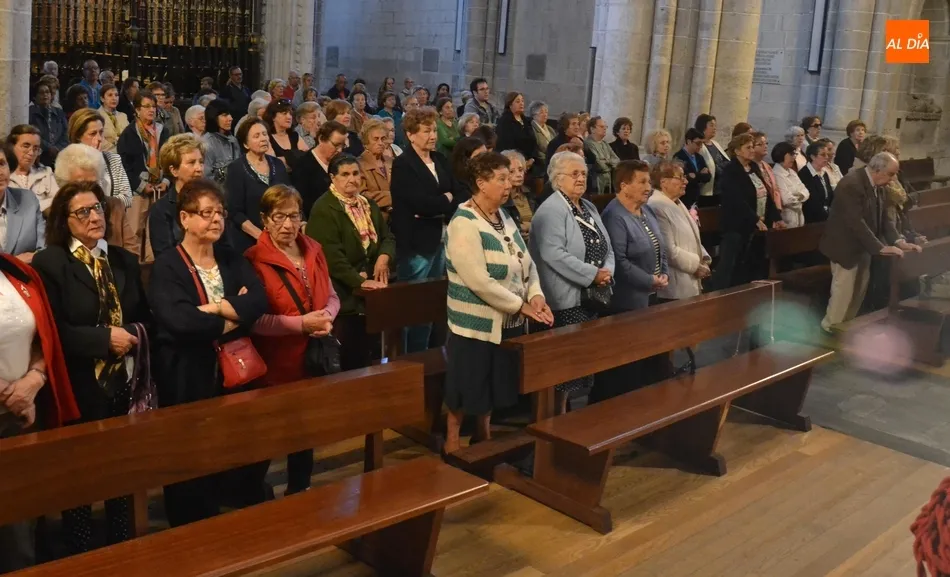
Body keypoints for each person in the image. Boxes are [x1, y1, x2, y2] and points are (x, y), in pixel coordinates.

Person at [31, 180, 149, 556]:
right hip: (80, 383)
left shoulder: (122, 260)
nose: (95, 216)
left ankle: (123, 546)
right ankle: (80, 554)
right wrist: (103, 340)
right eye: (83, 211)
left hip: (124, 382)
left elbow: (146, 317)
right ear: (66, 221)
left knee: (120, 471)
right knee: (80, 477)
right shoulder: (52, 262)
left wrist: (129, 334)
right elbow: (54, 331)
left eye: (97, 207)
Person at [148, 178, 269, 527]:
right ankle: (191, 522)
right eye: (206, 213)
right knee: (191, 453)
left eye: (220, 212)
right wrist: (234, 314)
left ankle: (231, 507)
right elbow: (180, 321)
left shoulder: (231, 259)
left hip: (236, 368)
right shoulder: (168, 265)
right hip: (187, 374)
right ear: (184, 218)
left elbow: (258, 301)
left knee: (234, 443)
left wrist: (214, 310)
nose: (215, 219)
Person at [443, 152, 552, 453]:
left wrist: (536, 295)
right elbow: (478, 281)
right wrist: (522, 307)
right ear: (480, 183)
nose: (509, 184)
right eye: (501, 179)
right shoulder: (464, 222)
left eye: (510, 177)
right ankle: (452, 438)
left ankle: (484, 433)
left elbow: (526, 262)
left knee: (492, 383)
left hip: (507, 321)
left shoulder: (503, 216)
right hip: (474, 323)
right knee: (467, 382)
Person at [246, 184, 339, 495]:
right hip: (275, 364)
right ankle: (253, 494)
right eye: (278, 217)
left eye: (294, 216)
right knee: (267, 437)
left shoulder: (313, 249)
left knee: (305, 431)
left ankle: (301, 490)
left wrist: (327, 317)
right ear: (264, 219)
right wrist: (301, 324)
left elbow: (332, 294)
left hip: (312, 358)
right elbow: (254, 320)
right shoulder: (253, 260)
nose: (287, 225)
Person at [530, 151, 614, 414]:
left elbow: (607, 246)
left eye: (584, 174)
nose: (581, 179)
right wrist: (592, 274)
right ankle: (554, 419)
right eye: (574, 174)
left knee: (580, 365)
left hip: (592, 297)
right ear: (557, 178)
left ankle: (568, 419)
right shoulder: (552, 210)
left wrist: (607, 272)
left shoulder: (588, 206)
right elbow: (553, 254)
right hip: (564, 300)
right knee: (563, 370)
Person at [306, 155, 394, 370]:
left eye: (355, 173)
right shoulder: (324, 208)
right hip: (343, 296)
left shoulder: (368, 204)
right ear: (332, 178)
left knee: (370, 355)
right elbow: (332, 257)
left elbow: (388, 237)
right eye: (345, 174)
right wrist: (358, 281)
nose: (352, 179)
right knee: (350, 359)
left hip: (370, 295)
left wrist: (384, 256)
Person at [592, 160, 670, 401]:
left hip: (650, 293)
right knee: (623, 363)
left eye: (649, 181)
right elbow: (619, 261)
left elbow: (660, 245)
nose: (649, 187)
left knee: (645, 357)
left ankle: (640, 404)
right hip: (626, 299)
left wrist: (663, 271)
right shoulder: (615, 215)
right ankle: (613, 408)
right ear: (624, 185)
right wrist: (649, 280)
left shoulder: (645, 210)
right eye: (643, 182)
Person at [818, 152, 918, 332]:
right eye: (891, 174)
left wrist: (898, 241)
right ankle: (830, 331)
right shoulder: (851, 184)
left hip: (864, 247)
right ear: (877, 170)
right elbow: (855, 222)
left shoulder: (879, 185)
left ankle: (845, 330)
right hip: (844, 247)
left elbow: (885, 219)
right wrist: (880, 248)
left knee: (858, 293)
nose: (893, 178)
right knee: (843, 294)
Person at [391, 107, 457, 353]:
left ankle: (426, 356)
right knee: (414, 304)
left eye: (433, 130)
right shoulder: (403, 164)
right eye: (426, 131)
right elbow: (416, 202)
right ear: (410, 134)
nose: (433, 135)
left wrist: (440, 203)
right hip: (417, 242)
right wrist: (443, 201)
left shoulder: (439, 159)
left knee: (431, 302)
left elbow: (456, 192)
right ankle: (408, 358)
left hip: (440, 237)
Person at [709, 133, 783, 290]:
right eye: (748, 147)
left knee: (749, 263)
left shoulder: (753, 167)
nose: (752, 150)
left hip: (755, 225)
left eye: (752, 147)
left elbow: (765, 192)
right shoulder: (731, 171)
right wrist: (755, 219)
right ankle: (722, 296)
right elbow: (737, 200)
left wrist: (776, 216)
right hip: (736, 225)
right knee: (730, 264)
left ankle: (744, 291)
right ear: (737, 151)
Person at [226, 118, 290, 254]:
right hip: (250, 241)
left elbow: (289, 198)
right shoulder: (236, 169)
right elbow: (235, 212)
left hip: (281, 236)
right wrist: (262, 237)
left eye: (265, 134)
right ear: (245, 144)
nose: (263, 139)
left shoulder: (278, 165)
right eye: (257, 136)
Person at [648, 160, 710, 300]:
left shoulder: (677, 201)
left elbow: (692, 236)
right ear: (663, 182)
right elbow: (668, 250)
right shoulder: (657, 206)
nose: (686, 181)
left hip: (689, 279)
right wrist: (696, 266)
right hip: (674, 285)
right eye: (680, 177)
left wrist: (704, 258)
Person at [150, 134, 208, 257]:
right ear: (174, 170)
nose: (199, 168)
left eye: (201, 162)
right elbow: (164, 256)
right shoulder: (161, 210)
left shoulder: (213, 202)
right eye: (192, 163)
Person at [117, 90, 170, 199]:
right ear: (137, 110)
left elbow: (170, 159)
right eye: (146, 106)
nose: (151, 110)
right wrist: (140, 186)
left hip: (161, 189)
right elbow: (124, 166)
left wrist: (166, 181)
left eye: (154, 106)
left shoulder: (163, 131)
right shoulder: (129, 134)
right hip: (138, 193)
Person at [293, 120, 348, 217]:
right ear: (321, 139)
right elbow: (303, 205)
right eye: (336, 145)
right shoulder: (303, 166)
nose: (340, 150)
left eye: (342, 145)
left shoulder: (342, 162)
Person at [0, 146, 45, 261]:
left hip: (27, 276)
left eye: (1, 164)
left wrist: (36, 257)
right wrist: (14, 263)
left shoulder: (28, 199)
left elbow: (45, 248)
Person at [6, 125, 59, 213]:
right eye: (26, 146)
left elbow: (58, 200)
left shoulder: (46, 173)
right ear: (11, 147)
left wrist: (30, 208)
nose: (31, 153)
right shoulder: (3, 175)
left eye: (36, 148)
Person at [358, 118, 394, 218]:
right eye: (376, 139)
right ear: (366, 141)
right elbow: (362, 195)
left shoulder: (391, 161)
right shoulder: (358, 165)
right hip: (373, 218)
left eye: (383, 138)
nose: (380, 142)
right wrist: (393, 197)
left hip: (397, 218)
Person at [201, 99, 241, 185]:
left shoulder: (233, 140)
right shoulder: (206, 143)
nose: (230, 118)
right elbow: (206, 178)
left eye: (230, 114)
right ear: (213, 117)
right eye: (224, 115)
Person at [495, 91, 537, 172]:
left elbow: (533, 141)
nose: (521, 103)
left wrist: (532, 159)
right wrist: (522, 162)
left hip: (530, 161)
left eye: (522, 101)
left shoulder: (526, 121)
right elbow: (506, 145)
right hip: (512, 162)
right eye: (518, 101)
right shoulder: (504, 122)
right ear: (510, 105)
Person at [771, 141, 810, 228]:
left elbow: (806, 191)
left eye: (795, 154)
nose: (794, 157)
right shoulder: (776, 174)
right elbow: (786, 199)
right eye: (791, 154)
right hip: (787, 219)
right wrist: (800, 197)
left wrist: (799, 195)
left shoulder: (792, 172)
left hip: (799, 217)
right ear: (781, 154)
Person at [29, 80, 69, 165]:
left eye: (47, 92)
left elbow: (66, 133)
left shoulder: (59, 112)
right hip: (39, 155)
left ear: (51, 95)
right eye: (41, 93)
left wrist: (58, 148)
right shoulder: (30, 113)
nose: (45, 95)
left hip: (59, 154)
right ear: (34, 97)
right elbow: (31, 134)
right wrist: (49, 148)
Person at [263, 100, 309, 171]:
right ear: (273, 117)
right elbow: (273, 165)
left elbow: (308, 158)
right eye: (284, 113)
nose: (289, 117)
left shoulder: (294, 136)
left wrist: (286, 159)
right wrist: (296, 156)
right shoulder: (267, 138)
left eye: (290, 114)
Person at [672, 127, 711, 208]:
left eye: (702, 143)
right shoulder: (679, 156)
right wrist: (700, 175)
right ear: (689, 141)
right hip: (685, 197)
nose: (700, 146)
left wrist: (695, 175)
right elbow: (686, 178)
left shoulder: (699, 157)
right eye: (698, 143)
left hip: (696, 197)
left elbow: (708, 177)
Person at [695, 113, 729, 205]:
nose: (715, 128)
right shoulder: (699, 146)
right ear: (702, 127)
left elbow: (726, 161)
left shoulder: (715, 143)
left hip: (720, 190)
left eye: (715, 125)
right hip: (707, 192)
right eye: (711, 125)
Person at [500, 149, 534, 237]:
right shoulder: (501, 198)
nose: (519, 174)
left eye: (520, 169)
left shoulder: (529, 193)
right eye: (512, 171)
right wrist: (522, 227)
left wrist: (528, 226)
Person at [799, 141, 835, 223]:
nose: (827, 157)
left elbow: (829, 195)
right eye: (823, 155)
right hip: (812, 219)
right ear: (813, 157)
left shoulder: (824, 172)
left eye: (827, 154)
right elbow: (811, 201)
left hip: (826, 216)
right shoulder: (804, 174)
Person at [585, 116, 620, 195]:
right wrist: (610, 164)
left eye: (605, 127)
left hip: (608, 179)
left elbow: (617, 161)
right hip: (595, 180)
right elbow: (599, 164)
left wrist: (607, 161)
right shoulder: (588, 143)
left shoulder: (605, 144)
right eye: (601, 126)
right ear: (592, 129)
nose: (604, 129)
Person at [752, 131, 783, 216]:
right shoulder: (749, 167)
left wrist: (778, 208)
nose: (765, 146)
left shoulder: (766, 166)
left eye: (766, 143)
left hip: (771, 208)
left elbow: (775, 188)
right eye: (760, 144)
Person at [98, 84, 129, 153]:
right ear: (102, 99)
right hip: (105, 155)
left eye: (116, 95)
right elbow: (99, 141)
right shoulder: (96, 116)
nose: (114, 98)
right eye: (110, 95)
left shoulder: (123, 116)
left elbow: (129, 136)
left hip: (124, 155)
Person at [529, 101, 557, 167]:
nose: (545, 114)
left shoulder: (550, 129)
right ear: (534, 115)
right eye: (541, 112)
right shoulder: (531, 129)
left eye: (546, 112)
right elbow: (537, 151)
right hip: (542, 164)